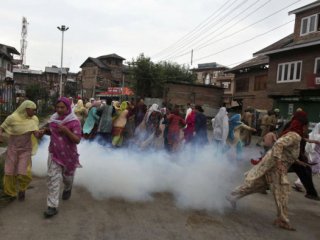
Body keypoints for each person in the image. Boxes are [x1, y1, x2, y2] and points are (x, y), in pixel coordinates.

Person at [227, 110, 310, 231]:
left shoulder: (293, 134)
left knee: (256, 185)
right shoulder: (295, 135)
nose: (307, 129)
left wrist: (298, 161)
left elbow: (287, 152)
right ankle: (283, 220)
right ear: (303, 125)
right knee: (282, 192)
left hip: (272, 167)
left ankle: (232, 197)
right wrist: (279, 162)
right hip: (276, 169)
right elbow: (278, 145)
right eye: (307, 126)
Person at [42, 97, 82, 218]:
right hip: (54, 153)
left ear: (68, 108)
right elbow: (52, 131)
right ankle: (52, 206)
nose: (59, 109)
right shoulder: (54, 119)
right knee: (53, 178)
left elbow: (77, 140)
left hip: (69, 155)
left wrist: (66, 130)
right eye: (57, 107)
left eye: (62, 107)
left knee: (67, 178)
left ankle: (68, 187)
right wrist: (44, 131)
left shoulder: (74, 121)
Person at [0, 100, 41, 201]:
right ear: (25, 109)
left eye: (35, 110)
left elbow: (36, 134)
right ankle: (10, 193)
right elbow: (1, 127)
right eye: (33, 110)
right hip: (13, 149)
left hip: (25, 149)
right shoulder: (12, 118)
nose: (34, 112)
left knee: (25, 172)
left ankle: (22, 188)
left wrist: (40, 133)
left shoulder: (34, 119)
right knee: (10, 171)